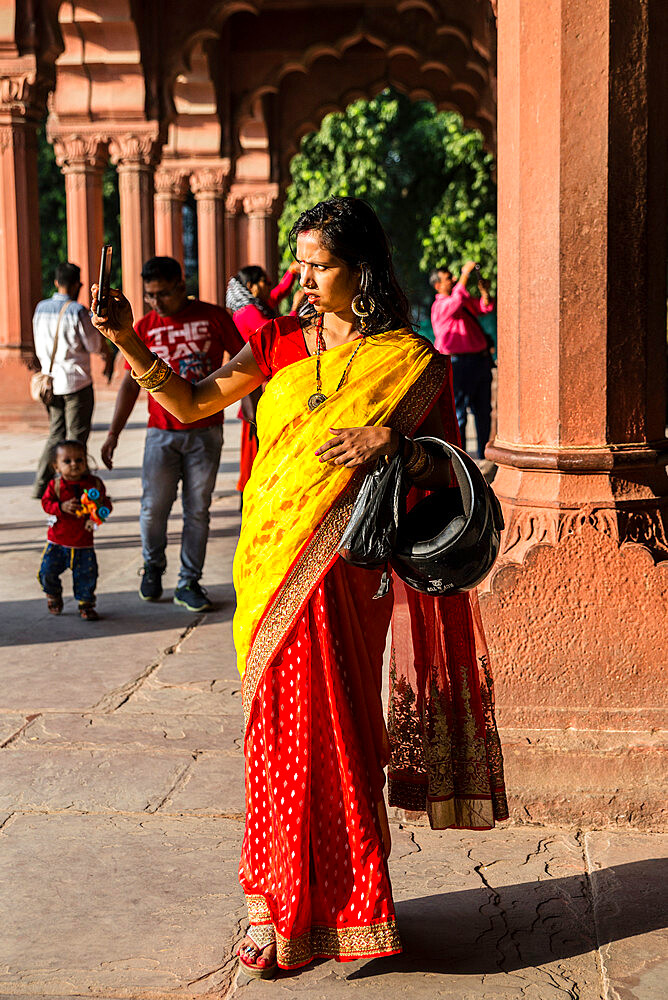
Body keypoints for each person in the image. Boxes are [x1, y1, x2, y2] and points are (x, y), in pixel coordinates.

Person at [91, 198, 508, 978]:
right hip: (270, 568)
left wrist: (399, 444)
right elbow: (187, 403)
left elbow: (447, 472)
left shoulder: (413, 361)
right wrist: (122, 336)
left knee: (345, 734)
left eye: (321, 266)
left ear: (364, 270)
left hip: (347, 571)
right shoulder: (276, 341)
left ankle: (353, 910)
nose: (304, 279)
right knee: (278, 735)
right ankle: (276, 909)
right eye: (303, 263)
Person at [100, 256, 244, 612]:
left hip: (206, 433)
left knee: (198, 511)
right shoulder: (143, 326)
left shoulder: (213, 317)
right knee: (153, 509)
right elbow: (130, 386)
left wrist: (255, 416)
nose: (155, 303)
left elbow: (245, 365)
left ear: (182, 285)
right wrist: (113, 433)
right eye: (149, 295)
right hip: (160, 433)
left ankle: (188, 581)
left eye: (162, 294)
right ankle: (153, 566)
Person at [32, 262, 113, 499]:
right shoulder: (77, 311)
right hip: (76, 382)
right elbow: (94, 345)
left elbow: (38, 343)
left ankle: (41, 485)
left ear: (56, 282)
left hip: (50, 382)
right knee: (77, 439)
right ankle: (77, 489)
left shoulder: (41, 308)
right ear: (78, 285)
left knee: (56, 435)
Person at [225, 262, 301, 493]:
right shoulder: (248, 312)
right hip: (258, 386)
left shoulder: (255, 304)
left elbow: (278, 294)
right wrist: (296, 309)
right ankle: (251, 491)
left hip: (263, 384)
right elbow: (277, 335)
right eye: (265, 282)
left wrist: (292, 273)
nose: (270, 287)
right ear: (252, 286)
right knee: (255, 446)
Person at [39, 439, 112, 621]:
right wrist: (61, 507)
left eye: (79, 460)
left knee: (87, 575)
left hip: (83, 543)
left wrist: (96, 517)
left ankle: (85, 604)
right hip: (57, 542)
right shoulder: (55, 486)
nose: (74, 464)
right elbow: (46, 503)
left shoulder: (94, 485)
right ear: (56, 466)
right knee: (47, 571)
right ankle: (53, 594)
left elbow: (105, 504)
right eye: (67, 461)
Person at [430, 262, 496, 459]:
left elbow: (484, 307)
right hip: (457, 364)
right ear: (437, 286)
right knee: (458, 414)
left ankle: (484, 456)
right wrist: (466, 274)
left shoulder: (461, 300)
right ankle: (461, 460)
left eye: (453, 277)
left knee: (483, 410)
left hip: (479, 362)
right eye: (448, 278)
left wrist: (485, 293)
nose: (454, 280)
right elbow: (457, 300)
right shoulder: (440, 306)